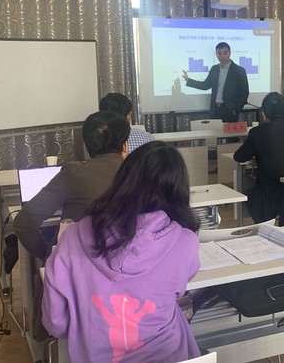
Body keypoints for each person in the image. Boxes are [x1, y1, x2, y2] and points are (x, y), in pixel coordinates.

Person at [42, 141, 201, 363]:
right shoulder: (186, 242)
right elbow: (180, 287)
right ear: (179, 190)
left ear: (122, 180)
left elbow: (55, 323)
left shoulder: (72, 237)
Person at [14, 111, 130, 261]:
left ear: (85, 146)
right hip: (128, 263)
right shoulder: (140, 173)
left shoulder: (74, 173)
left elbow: (24, 222)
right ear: (125, 145)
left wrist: (48, 255)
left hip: (77, 263)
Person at [234, 92, 284, 225]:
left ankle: (266, 227)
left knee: (250, 194)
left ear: (263, 114)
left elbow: (239, 157)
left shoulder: (257, 132)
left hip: (270, 195)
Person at [182, 42, 249, 122]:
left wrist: (236, 110)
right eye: (219, 53)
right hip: (215, 110)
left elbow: (244, 92)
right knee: (215, 130)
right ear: (216, 54)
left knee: (229, 131)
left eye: (225, 53)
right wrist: (189, 81)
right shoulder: (214, 69)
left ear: (230, 53)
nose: (222, 56)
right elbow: (205, 85)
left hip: (230, 110)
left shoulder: (239, 70)